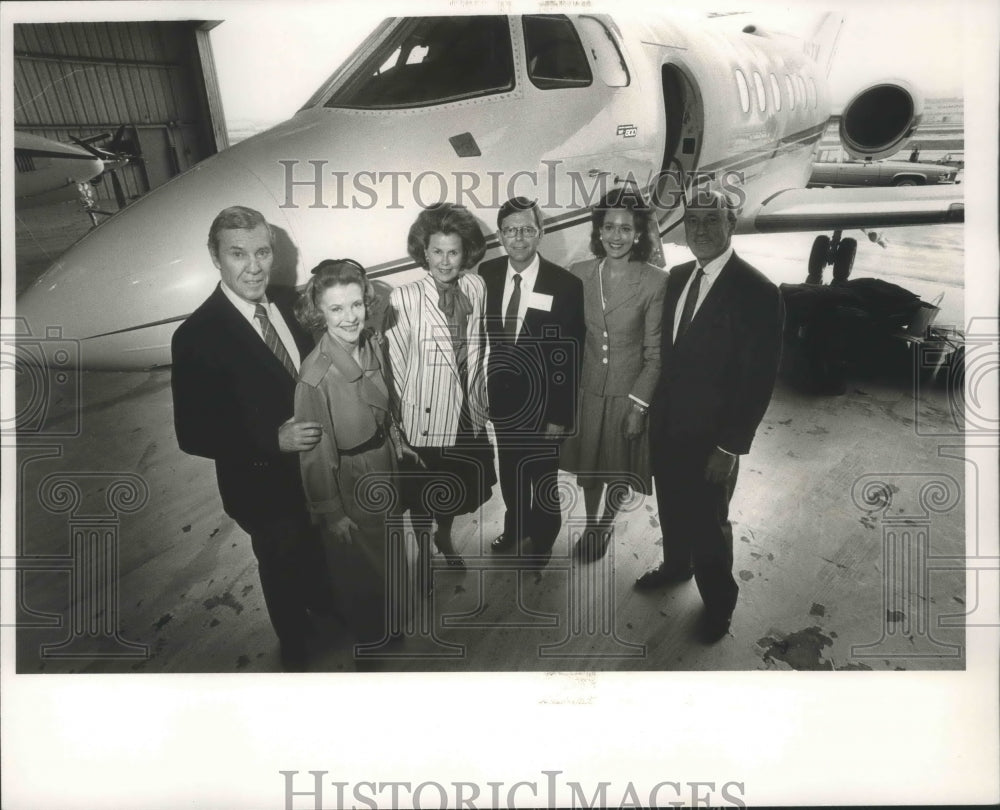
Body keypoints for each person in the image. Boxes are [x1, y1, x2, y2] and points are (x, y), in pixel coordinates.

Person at [171, 205, 324, 671]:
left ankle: (326, 604)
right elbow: (192, 433)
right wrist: (268, 439)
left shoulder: (289, 302)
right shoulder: (195, 335)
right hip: (261, 485)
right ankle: (293, 642)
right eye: (238, 254)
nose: (254, 266)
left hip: (318, 470)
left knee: (318, 548)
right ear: (215, 257)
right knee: (281, 563)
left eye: (262, 252)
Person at [639, 188, 783, 643]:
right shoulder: (678, 277)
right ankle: (675, 566)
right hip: (668, 426)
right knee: (671, 507)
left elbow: (757, 382)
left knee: (708, 523)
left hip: (712, 439)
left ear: (731, 223)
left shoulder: (758, 291)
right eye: (692, 220)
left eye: (711, 219)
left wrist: (729, 447)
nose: (699, 229)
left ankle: (719, 603)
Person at [294, 259, 412, 658]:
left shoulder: (370, 343)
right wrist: (331, 512)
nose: (350, 317)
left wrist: (397, 440)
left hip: (383, 461)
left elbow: (384, 400)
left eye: (356, 305)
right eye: (336, 309)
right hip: (351, 474)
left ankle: (391, 620)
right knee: (360, 568)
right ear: (318, 313)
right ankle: (370, 642)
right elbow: (313, 453)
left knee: (390, 548)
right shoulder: (316, 374)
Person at [383, 203, 496, 593]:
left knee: (457, 491)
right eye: (437, 252)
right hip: (425, 417)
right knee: (424, 495)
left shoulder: (476, 287)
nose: (445, 262)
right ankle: (423, 550)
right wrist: (396, 427)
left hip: (468, 413)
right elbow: (394, 365)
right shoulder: (404, 298)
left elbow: (482, 349)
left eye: (454, 252)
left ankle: (444, 537)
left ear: (466, 252)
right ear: (423, 251)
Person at [561, 189, 667, 562]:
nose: (616, 236)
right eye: (609, 227)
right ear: (598, 230)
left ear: (638, 232)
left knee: (617, 468)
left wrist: (639, 405)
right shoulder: (579, 274)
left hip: (628, 393)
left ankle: (606, 521)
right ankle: (592, 523)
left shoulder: (655, 281)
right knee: (589, 468)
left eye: (626, 228)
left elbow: (654, 354)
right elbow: (568, 340)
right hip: (588, 390)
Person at [479, 197, 585, 568]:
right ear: (500, 235)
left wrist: (560, 414)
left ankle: (542, 538)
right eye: (510, 230)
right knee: (510, 470)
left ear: (540, 233)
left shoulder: (566, 285)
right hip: (503, 402)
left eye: (526, 229)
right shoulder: (486, 275)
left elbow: (568, 358)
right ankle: (516, 525)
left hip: (544, 408)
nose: (519, 238)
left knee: (542, 479)